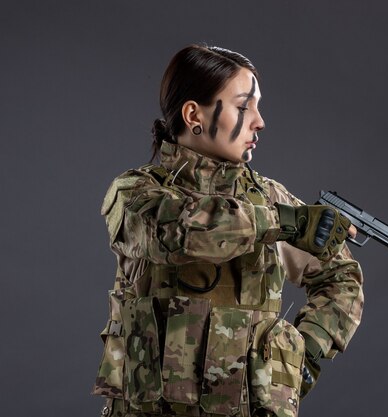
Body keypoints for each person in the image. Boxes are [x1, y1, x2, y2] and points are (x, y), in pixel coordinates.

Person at [92, 44, 364, 417]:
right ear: (193, 115)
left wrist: (306, 354)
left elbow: (342, 278)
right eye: (243, 106)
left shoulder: (272, 198)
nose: (259, 121)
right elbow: (176, 230)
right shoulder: (136, 193)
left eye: (257, 106)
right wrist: (283, 223)